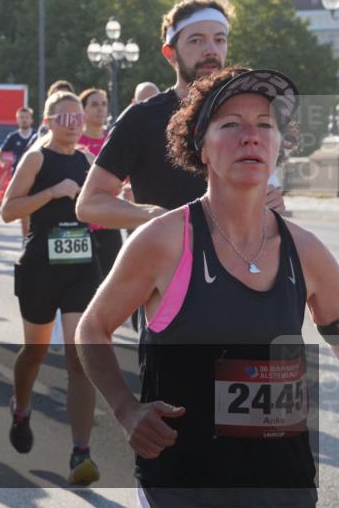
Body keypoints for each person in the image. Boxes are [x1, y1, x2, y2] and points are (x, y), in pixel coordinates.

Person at [75, 67, 337, 507]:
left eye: (265, 125)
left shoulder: (304, 249)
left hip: (285, 485)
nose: (250, 136)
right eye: (231, 124)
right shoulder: (164, 240)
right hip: (184, 484)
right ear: (201, 146)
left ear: (279, 146)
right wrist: (126, 409)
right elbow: (93, 328)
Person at [77, 0, 285, 234]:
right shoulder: (142, 118)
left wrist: (271, 204)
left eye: (220, 40)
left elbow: (263, 189)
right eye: (196, 40)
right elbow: (89, 204)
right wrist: (157, 216)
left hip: (238, 265)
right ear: (170, 53)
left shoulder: (247, 114)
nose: (211, 50)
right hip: (166, 266)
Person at [1, 90, 102, 486]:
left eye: (78, 117)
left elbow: (96, 207)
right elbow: (9, 209)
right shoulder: (36, 158)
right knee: (36, 351)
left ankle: (81, 452)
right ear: (47, 121)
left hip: (81, 267)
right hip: (41, 268)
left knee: (80, 357)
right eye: (65, 117)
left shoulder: (88, 161)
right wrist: (50, 193)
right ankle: (21, 408)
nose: (74, 123)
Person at [78, 88, 123, 280]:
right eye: (94, 104)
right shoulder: (74, 141)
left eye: (103, 104)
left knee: (110, 284)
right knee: (83, 288)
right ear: (83, 111)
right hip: (79, 228)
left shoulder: (114, 140)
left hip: (110, 224)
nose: (100, 109)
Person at [0, 106, 39, 239]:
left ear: (31, 120)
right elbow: (0, 151)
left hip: (37, 176)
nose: (24, 120)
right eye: (21, 117)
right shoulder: (13, 137)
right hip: (19, 178)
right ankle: (26, 240)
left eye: (26, 117)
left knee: (37, 207)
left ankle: (35, 236)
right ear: (17, 120)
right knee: (24, 211)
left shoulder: (37, 135)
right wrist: (1, 161)